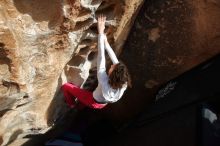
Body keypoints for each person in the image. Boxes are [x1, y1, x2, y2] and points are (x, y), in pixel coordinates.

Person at [61, 14, 131, 109]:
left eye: (112, 68)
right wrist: (106, 43)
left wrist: (100, 33)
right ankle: (80, 103)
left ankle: (71, 103)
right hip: (102, 103)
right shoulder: (123, 83)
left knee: (66, 86)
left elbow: (101, 56)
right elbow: (115, 60)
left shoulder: (103, 79)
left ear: (114, 74)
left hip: (92, 100)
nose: (110, 66)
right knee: (84, 98)